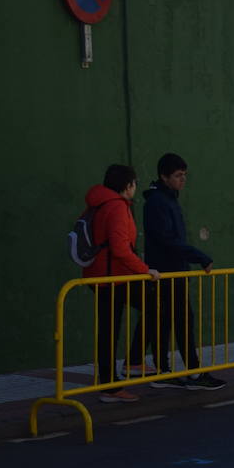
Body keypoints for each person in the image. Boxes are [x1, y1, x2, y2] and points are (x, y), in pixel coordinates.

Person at [128, 152, 225, 390]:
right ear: (164, 176)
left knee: (176, 320)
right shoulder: (158, 202)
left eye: (184, 175)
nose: (183, 180)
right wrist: (199, 257)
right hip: (165, 273)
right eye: (178, 176)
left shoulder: (169, 199)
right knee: (173, 321)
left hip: (175, 271)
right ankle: (176, 371)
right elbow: (166, 240)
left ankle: (175, 370)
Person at [81, 164, 160, 403]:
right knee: (151, 306)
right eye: (134, 183)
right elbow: (119, 248)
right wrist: (146, 271)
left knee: (110, 329)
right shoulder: (116, 206)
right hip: (114, 277)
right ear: (128, 186)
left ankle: (115, 377)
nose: (135, 188)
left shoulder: (100, 203)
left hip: (103, 275)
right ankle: (115, 380)